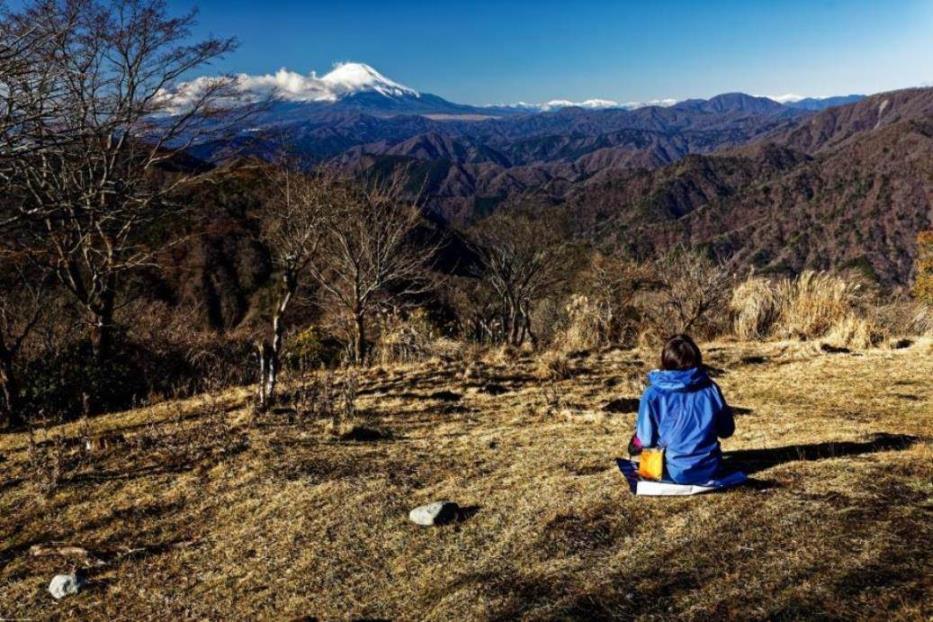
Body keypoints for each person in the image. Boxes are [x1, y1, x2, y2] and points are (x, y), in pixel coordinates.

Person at [628, 334, 734, 484]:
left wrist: (635, 442)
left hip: (673, 472)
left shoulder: (652, 394)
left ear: (665, 360)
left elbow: (645, 440)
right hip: (711, 469)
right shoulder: (711, 388)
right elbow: (727, 430)